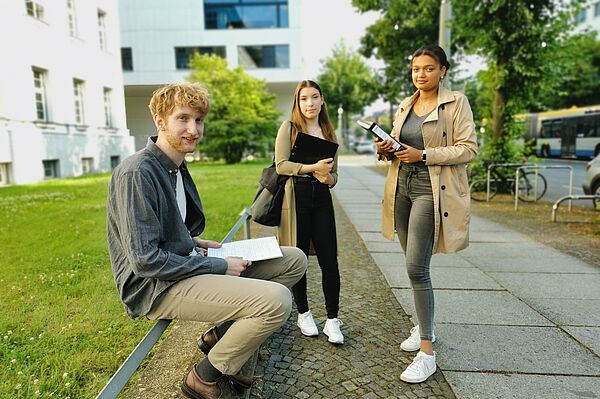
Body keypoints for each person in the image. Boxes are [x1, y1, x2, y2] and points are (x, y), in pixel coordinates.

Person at [106, 82, 307, 399]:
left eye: (198, 120)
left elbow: (165, 230)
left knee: (294, 259)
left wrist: (193, 242)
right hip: (155, 285)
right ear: (160, 121)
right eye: (182, 119)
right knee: (276, 301)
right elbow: (145, 259)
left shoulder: (175, 167)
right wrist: (215, 264)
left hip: (181, 265)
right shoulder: (137, 172)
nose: (193, 129)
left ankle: (219, 337)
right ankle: (204, 376)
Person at [375, 45, 478, 383]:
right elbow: (398, 146)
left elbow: (468, 149)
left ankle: (427, 351)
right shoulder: (406, 104)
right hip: (401, 189)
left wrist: (423, 155)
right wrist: (386, 148)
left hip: (430, 192)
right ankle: (424, 323)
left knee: (416, 269)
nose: (421, 74)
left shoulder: (456, 102)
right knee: (411, 260)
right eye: (416, 68)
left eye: (429, 68)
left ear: (443, 70)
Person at [274, 80, 344, 344]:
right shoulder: (289, 127)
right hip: (295, 197)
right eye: (304, 99)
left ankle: (332, 320)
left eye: (315, 97)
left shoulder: (327, 129)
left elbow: (335, 173)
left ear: (322, 100)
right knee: (297, 257)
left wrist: (329, 179)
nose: (310, 104)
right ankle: (303, 313)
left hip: (321, 198)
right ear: (297, 102)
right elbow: (281, 165)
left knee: (330, 260)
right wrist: (312, 167)